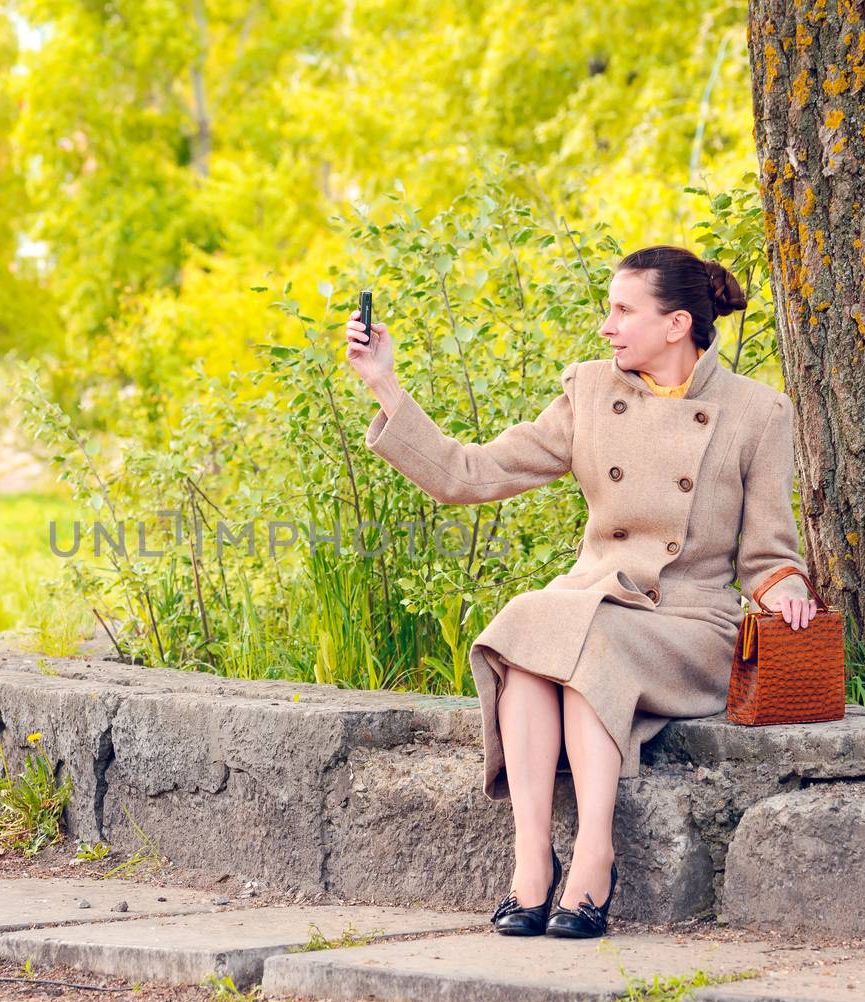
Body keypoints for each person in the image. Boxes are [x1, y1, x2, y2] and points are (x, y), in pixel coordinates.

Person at [342, 245, 818, 938]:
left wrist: (787, 589)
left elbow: (770, 554)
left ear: (677, 323)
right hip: (595, 601)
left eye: (623, 311)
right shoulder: (590, 391)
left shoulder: (757, 413)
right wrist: (384, 384)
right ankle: (532, 861)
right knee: (532, 628)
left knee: (580, 635)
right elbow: (467, 474)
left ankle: (595, 856)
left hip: (687, 623)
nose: (607, 327)